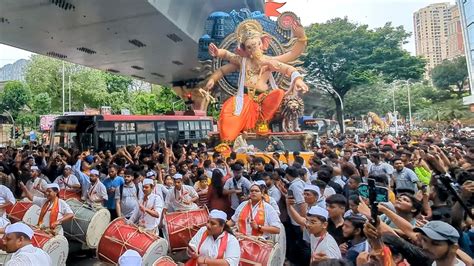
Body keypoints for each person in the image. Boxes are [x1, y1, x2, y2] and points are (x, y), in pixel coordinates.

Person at [206, 19, 309, 141]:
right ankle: (228, 140)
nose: (253, 49)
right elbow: (226, 59)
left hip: (263, 100)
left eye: (256, 45)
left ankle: (262, 121)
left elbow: (290, 61)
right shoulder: (242, 61)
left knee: (278, 93)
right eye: (249, 47)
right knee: (228, 112)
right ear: (244, 49)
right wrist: (213, 76)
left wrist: (298, 79)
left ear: (263, 44)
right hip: (244, 100)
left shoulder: (269, 62)